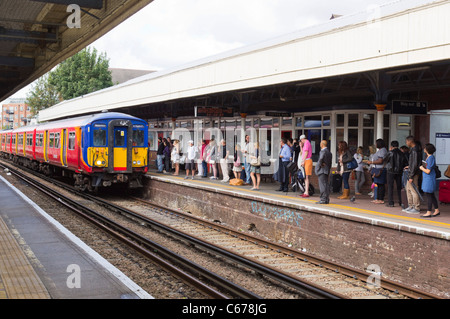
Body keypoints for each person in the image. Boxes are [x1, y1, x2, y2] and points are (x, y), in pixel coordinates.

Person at [419, 143, 440, 218]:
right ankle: (436, 210)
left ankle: (428, 211)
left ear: (427, 150)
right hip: (427, 178)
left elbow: (428, 171)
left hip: (429, 179)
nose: (424, 149)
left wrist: (421, 168)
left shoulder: (430, 158)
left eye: (425, 148)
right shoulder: (428, 157)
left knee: (428, 195)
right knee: (431, 194)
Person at [403, 136, 421, 214]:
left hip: (413, 174)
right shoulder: (414, 150)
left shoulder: (415, 151)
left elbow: (415, 164)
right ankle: (410, 206)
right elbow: (413, 163)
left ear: (410, 141)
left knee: (413, 190)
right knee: (408, 189)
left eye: (407, 141)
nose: (406, 143)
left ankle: (416, 207)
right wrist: (409, 166)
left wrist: (411, 176)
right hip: (411, 172)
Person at [386, 141, 407, 207]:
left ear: (391, 146)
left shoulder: (390, 153)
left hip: (390, 171)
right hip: (399, 172)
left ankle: (391, 202)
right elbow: (405, 162)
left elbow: (385, 160)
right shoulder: (402, 153)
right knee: (399, 187)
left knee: (390, 187)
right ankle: (401, 202)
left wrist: (389, 151)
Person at [367, 139, 388, 204]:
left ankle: (381, 199)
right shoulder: (380, 150)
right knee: (377, 184)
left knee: (381, 184)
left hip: (380, 169)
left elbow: (380, 161)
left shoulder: (382, 151)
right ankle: (377, 198)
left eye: (376, 143)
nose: (375, 145)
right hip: (377, 168)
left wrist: (371, 162)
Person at [315, 140, 332, 204]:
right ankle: (326, 199)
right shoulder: (329, 152)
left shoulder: (323, 151)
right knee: (326, 185)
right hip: (326, 170)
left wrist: (318, 167)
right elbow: (329, 162)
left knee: (322, 185)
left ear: (322, 144)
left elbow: (320, 159)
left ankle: (323, 199)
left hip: (322, 170)